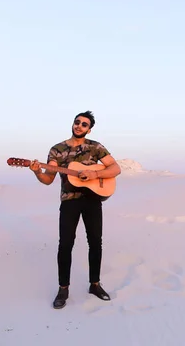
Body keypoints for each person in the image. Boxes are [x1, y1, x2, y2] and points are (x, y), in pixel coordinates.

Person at [29, 110, 121, 309]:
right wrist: (37, 171)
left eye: (84, 124)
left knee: (95, 242)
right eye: (77, 122)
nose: (79, 125)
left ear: (89, 129)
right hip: (69, 201)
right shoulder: (57, 150)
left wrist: (94, 174)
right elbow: (48, 179)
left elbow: (115, 169)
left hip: (92, 199)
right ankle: (63, 289)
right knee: (65, 244)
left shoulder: (95, 147)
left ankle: (95, 285)